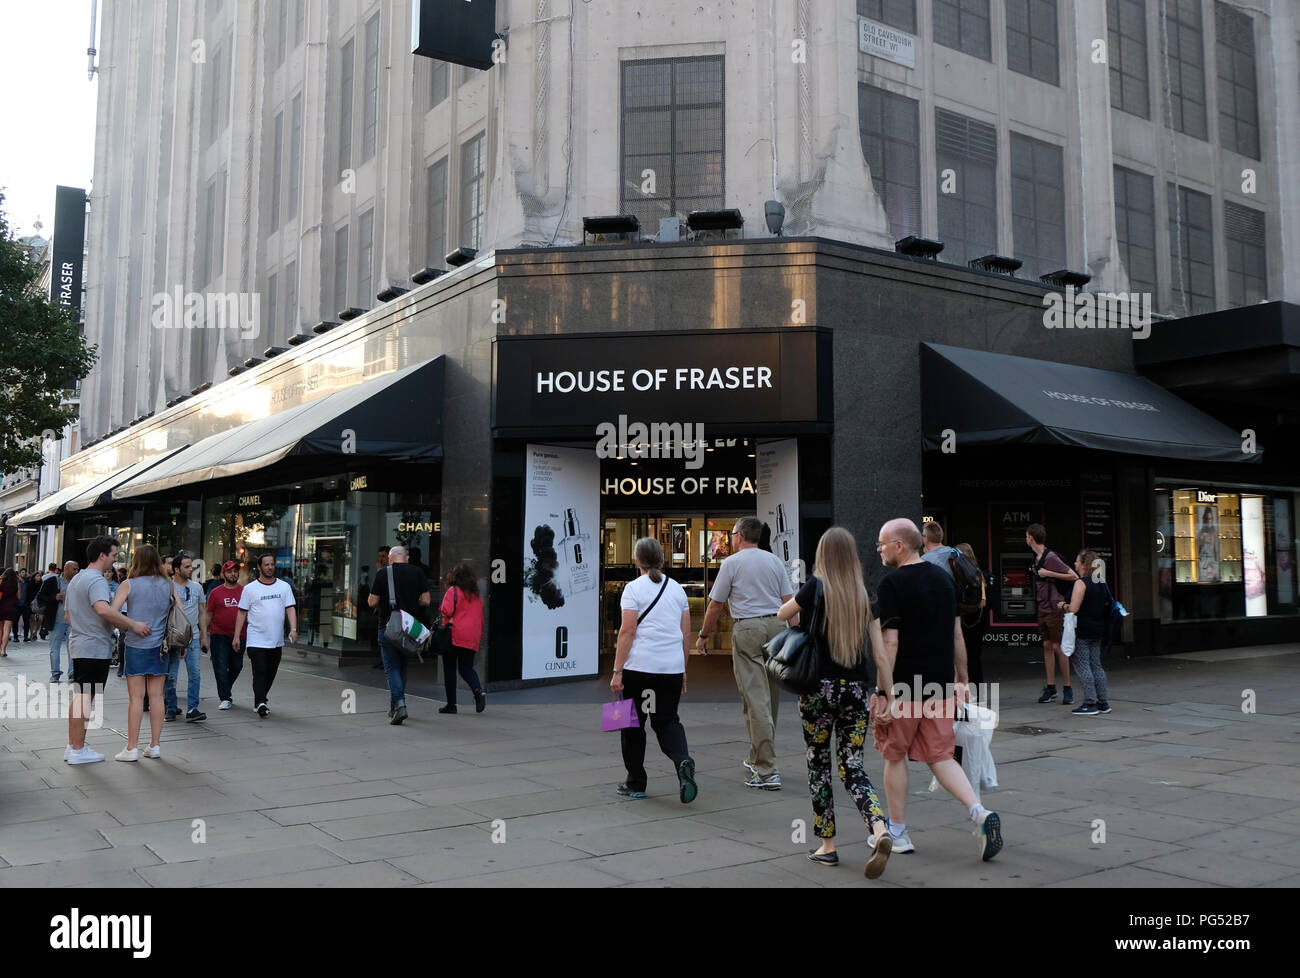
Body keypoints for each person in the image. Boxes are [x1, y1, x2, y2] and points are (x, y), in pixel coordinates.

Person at [870, 518, 1003, 862]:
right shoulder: (945, 580)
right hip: (940, 684)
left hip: (904, 687)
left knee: (894, 754)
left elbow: (891, 643)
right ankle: (980, 813)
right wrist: (963, 679)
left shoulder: (892, 584)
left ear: (900, 545)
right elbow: (958, 636)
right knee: (941, 756)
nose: (879, 549)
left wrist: (883, 691)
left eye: (882, 543)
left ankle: (897, 832)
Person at [777, 526, 891, 877]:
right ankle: (879, 827)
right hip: (856, 691)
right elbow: (880, 654)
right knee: (853, 765)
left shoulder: (815, 588)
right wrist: (885, 694)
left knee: (818, 764)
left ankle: (827, 845)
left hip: (817, 690)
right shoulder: (864, 596)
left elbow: (783, 614)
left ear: (823, 556)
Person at [697, 515, 793, 789]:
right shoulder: (774, 561)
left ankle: (766, 771)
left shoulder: (732, 563)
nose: (731, 537)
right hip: (776, 625)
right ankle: (756, 756)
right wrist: (795, 633)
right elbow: (789, 601)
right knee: (769, 697)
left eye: (733, 533)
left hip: (748, 629)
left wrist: (703, 636)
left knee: (755, 698)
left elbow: (716, 605)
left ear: (739, 535)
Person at [611, 537, 696, 803]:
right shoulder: (678, 590)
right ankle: (683, 760)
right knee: (668, 721)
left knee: (631, 724)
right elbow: (686, 634)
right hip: (669, 668)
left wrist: (617, 670)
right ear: (661, 558)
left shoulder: (633, 589)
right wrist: (682, 669)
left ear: (637, 560)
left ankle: (635, 782)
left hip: (637, 668)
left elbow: (627, 631)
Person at [109, 544, 176, 761]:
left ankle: (132, 748)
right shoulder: (168, 584)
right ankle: (155, 746)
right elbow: (180, 614)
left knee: (136, 699)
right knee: (157, 696)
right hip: (161, 648)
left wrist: (130, 624)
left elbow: (112, 612)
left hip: (136, 645)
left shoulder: (129, 584)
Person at [367, 545, 431, 724]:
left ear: (390, 558)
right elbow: (426, 600)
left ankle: (400, 704)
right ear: (407, 558)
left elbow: (372, 602)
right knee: (402, 666)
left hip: (387, 626)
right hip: (410, 629)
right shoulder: (417, 572)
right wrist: (411, 604)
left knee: (391, 667)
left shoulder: (383, 573)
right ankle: (395, 706)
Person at [233, 553, 298, 717]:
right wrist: (236, 636)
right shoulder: (250, 589)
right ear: (260, 567)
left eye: (272, 564)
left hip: (276, 640)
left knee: (271, 671)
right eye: (266, 565)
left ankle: (261, 698)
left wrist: (294, 629)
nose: (270, 567)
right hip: (256, 638)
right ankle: (260, 702)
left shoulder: (284, 587)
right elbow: (241, 613)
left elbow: (290, 608)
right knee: (260, 670)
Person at [1027, 523, 1077, 704]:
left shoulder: (1050, 557)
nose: (1026, 539)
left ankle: (1067, 687)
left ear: (1031, 538)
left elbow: (1073, 575)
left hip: (1055, 608)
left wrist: (1049, 572)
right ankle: (1051, 687)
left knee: (1058, 647)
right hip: (1043, 606)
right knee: (1047, 645)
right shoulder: (1037, 558)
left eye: (1027, 536)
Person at [1064, 550, 1113, 716]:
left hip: (1082, 630)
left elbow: (1073, 608)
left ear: (1084, 564)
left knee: (1083, 665)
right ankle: (1103, 702)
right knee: (1096, 665)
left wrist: (1063, 606)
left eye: (1077, 562)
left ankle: (1090, 703)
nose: (1075, 564)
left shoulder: (1081, 583)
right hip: (1098, 629)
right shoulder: (1101, 582)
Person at [438, 563, 486, 715]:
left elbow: (446, 610)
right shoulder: (476, 595)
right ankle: (478, 691)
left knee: (450, 669)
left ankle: (451, 705)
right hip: (472, 635)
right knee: (466, 668)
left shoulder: (453, 591)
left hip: (454, 634)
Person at [165, 552, 206, 722]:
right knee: (171, 675)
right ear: (176, 569)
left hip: (193, 637)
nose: (191, 569)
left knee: (195, 673)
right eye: (187, 566)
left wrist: (204, 635)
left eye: (191, 566)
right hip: (174, 638)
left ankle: (193, 709)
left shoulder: (197, 587)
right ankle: (171, 708)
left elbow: (202, 612)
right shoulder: (167, 586)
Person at [203, 561, 246, 710]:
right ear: (223, 574)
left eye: (235, 571)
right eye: (229, 572)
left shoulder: (245, 591)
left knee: (237, 665)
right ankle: (225, 697)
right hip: (218, 634)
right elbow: (208, 614)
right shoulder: (216, 592)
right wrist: (203, 634)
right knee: (220, 667)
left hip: (240, 634)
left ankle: (225, 687)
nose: (233, 574)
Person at [955, 542, 988, 695]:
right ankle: (973, 689)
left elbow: (982, 601)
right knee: (971, 656)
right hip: (973, 620)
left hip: (972, 620)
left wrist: (960, 607)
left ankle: (975, 690)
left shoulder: (974, 574)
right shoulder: (974, 573)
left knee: (972, 656)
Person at [45, 561, 78, 681]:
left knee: (72, 648)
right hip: (56, 621)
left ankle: (72, 673)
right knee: (54, 649)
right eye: (74, 569)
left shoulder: (77, 582)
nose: (76, 572)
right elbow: (41, 598)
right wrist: (55, 597)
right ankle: (55, 674)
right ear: (66, 569)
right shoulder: (53, 581)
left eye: (77, 569)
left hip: (72, 621)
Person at [0, 568, 18, 656]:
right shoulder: (16, 584)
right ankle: (3, 650)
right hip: (11, 607)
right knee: (7, 629)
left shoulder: (1, 583)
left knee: (0, 629)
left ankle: (0, 648)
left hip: (1, 606)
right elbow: (19, 596)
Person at [17, 568, 34, 642]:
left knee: (26, 621)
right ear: (19, 573)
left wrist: (28, 602)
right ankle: (15, 635)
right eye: (22, 572)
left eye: (25, 572)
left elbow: (30, 593)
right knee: (15, 620)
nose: (24, 574)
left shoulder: (28, 583)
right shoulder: (16, 582)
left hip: (25, 604)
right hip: (17, 604)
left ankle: (26, 636)